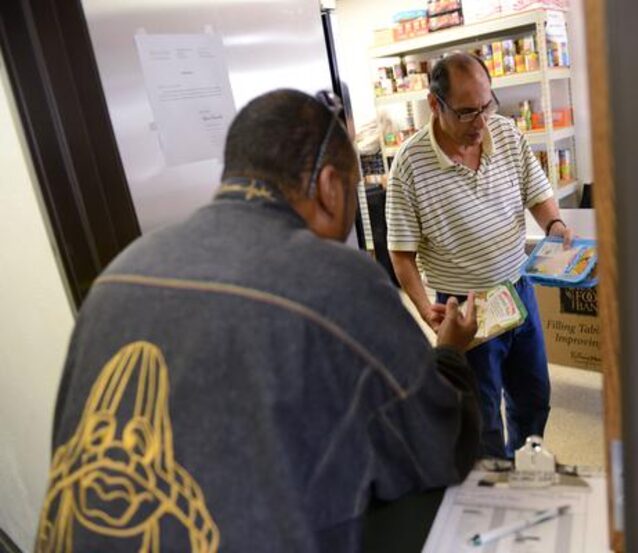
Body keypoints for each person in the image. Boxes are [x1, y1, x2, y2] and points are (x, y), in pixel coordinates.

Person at [36, 89, 481, 553]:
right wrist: (449, 353)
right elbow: (440, 446)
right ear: (331, 187)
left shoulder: (121, 271)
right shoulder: (337, 280)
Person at [385, 53, 574, 460]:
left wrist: (554, 225)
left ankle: (525, 461)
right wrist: (424, 309)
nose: (481, 122)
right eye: (468, 112)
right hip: (464, 307)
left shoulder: (506, 134)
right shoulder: (409, 165)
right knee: (481, 414)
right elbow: (401, 254)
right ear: (435, 105)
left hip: (518, 290)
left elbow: (536, 193)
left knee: (534, 395)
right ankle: (495, 487)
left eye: (487, 106)